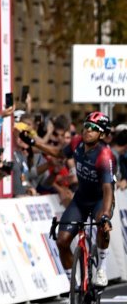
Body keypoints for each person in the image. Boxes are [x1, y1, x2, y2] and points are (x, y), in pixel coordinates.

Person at [21, 111, 116, 288]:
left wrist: (105, 216)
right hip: (81, 198)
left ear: (101, 135)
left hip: (100, 199)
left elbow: (108, 188)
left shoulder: (104, 156)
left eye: (94, 128)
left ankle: (101, 269)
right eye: (86, 126)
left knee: (102, 226)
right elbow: (58, 153)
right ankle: (75, 284)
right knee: (62, 240)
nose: (88, 130)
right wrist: (34, 143)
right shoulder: (76, 142)